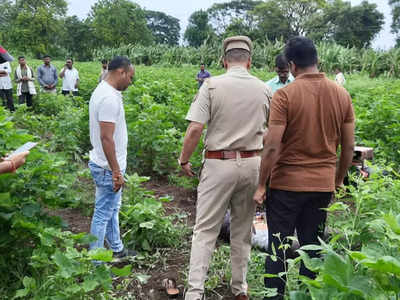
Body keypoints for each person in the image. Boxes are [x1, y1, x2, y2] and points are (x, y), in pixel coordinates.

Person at [253, 37, 355, 300]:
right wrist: (339, 179)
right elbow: (348, 145)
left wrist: (262, 184)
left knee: (277, 250)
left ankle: (274, 296)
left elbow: (272, 146)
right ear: (317, 60)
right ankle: (309, 296)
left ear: (292, 65)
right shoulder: (341, 94)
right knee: (313, 250)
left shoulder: (284, 95)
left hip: (286, 186)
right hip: (321, 186)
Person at [180, 36, 272, 300]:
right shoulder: (264, 89)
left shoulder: (211, 85)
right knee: (243, 231)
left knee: (206, 230)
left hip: (219, 163)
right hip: (253, 163)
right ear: (249, 61)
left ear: (224, 60)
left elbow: (195, 128)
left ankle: (195, 292)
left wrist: (184, 160)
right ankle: (239, 288)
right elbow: (272, 134)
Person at [88, 56, 136, 259]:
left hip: (107, 164)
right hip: (108, 167)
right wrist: (116, 171)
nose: (131, 82)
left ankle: (117, 249)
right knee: (102, 213)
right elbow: (106, 138)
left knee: (112, 209)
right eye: (130, 77)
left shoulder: (105, 91)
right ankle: (96, 261)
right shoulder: (108, 97)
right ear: (121, 72)